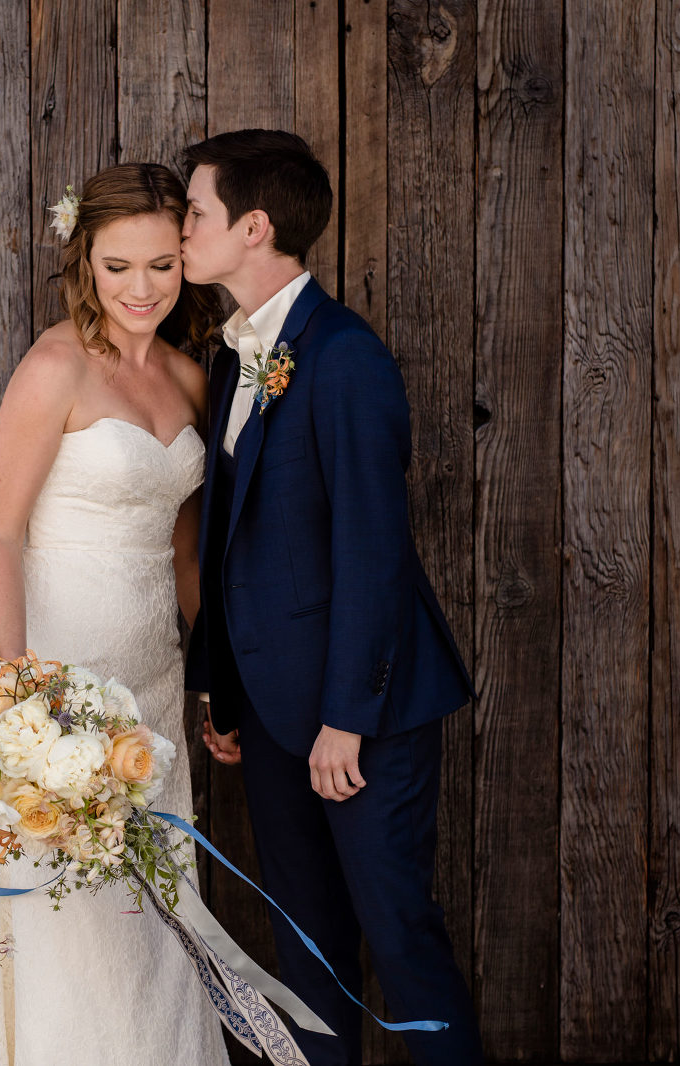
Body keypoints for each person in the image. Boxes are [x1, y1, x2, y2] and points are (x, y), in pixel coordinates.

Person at [181, 128, 483, 1065]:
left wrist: (347, 720)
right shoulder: (235, 356)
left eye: (195, 214)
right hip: (272, 715)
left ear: (254, 226)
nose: (182, 231)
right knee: (306, 943)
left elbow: (372, 553)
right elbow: (236, 542)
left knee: (396, 932)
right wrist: (223, 694)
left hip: (364, 716)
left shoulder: (345, 357)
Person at [0, 163, 230, 1065]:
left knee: (153, 917)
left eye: (161, 265)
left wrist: (213, 679)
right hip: (56, 680)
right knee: (67, 919)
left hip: (150, 678)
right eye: (119, 268)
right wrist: (22, 679)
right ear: (86, 261)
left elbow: (188, 554)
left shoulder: (192, 383)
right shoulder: (55, 364)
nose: (141, 289)